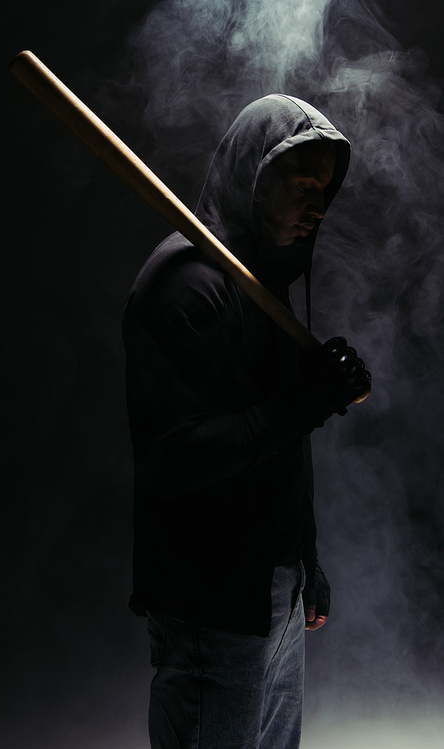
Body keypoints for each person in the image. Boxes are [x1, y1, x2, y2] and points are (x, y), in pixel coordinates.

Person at [122, 94, 370, 749]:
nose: (318, 208)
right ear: (253, 177)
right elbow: (176, 461)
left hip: (275, 587)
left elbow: (283, 447)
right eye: (302, 184)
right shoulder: (185, 284)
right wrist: (309, 398)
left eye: (327, 188)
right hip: (213, 599)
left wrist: (304, 562)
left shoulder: (264, 285)